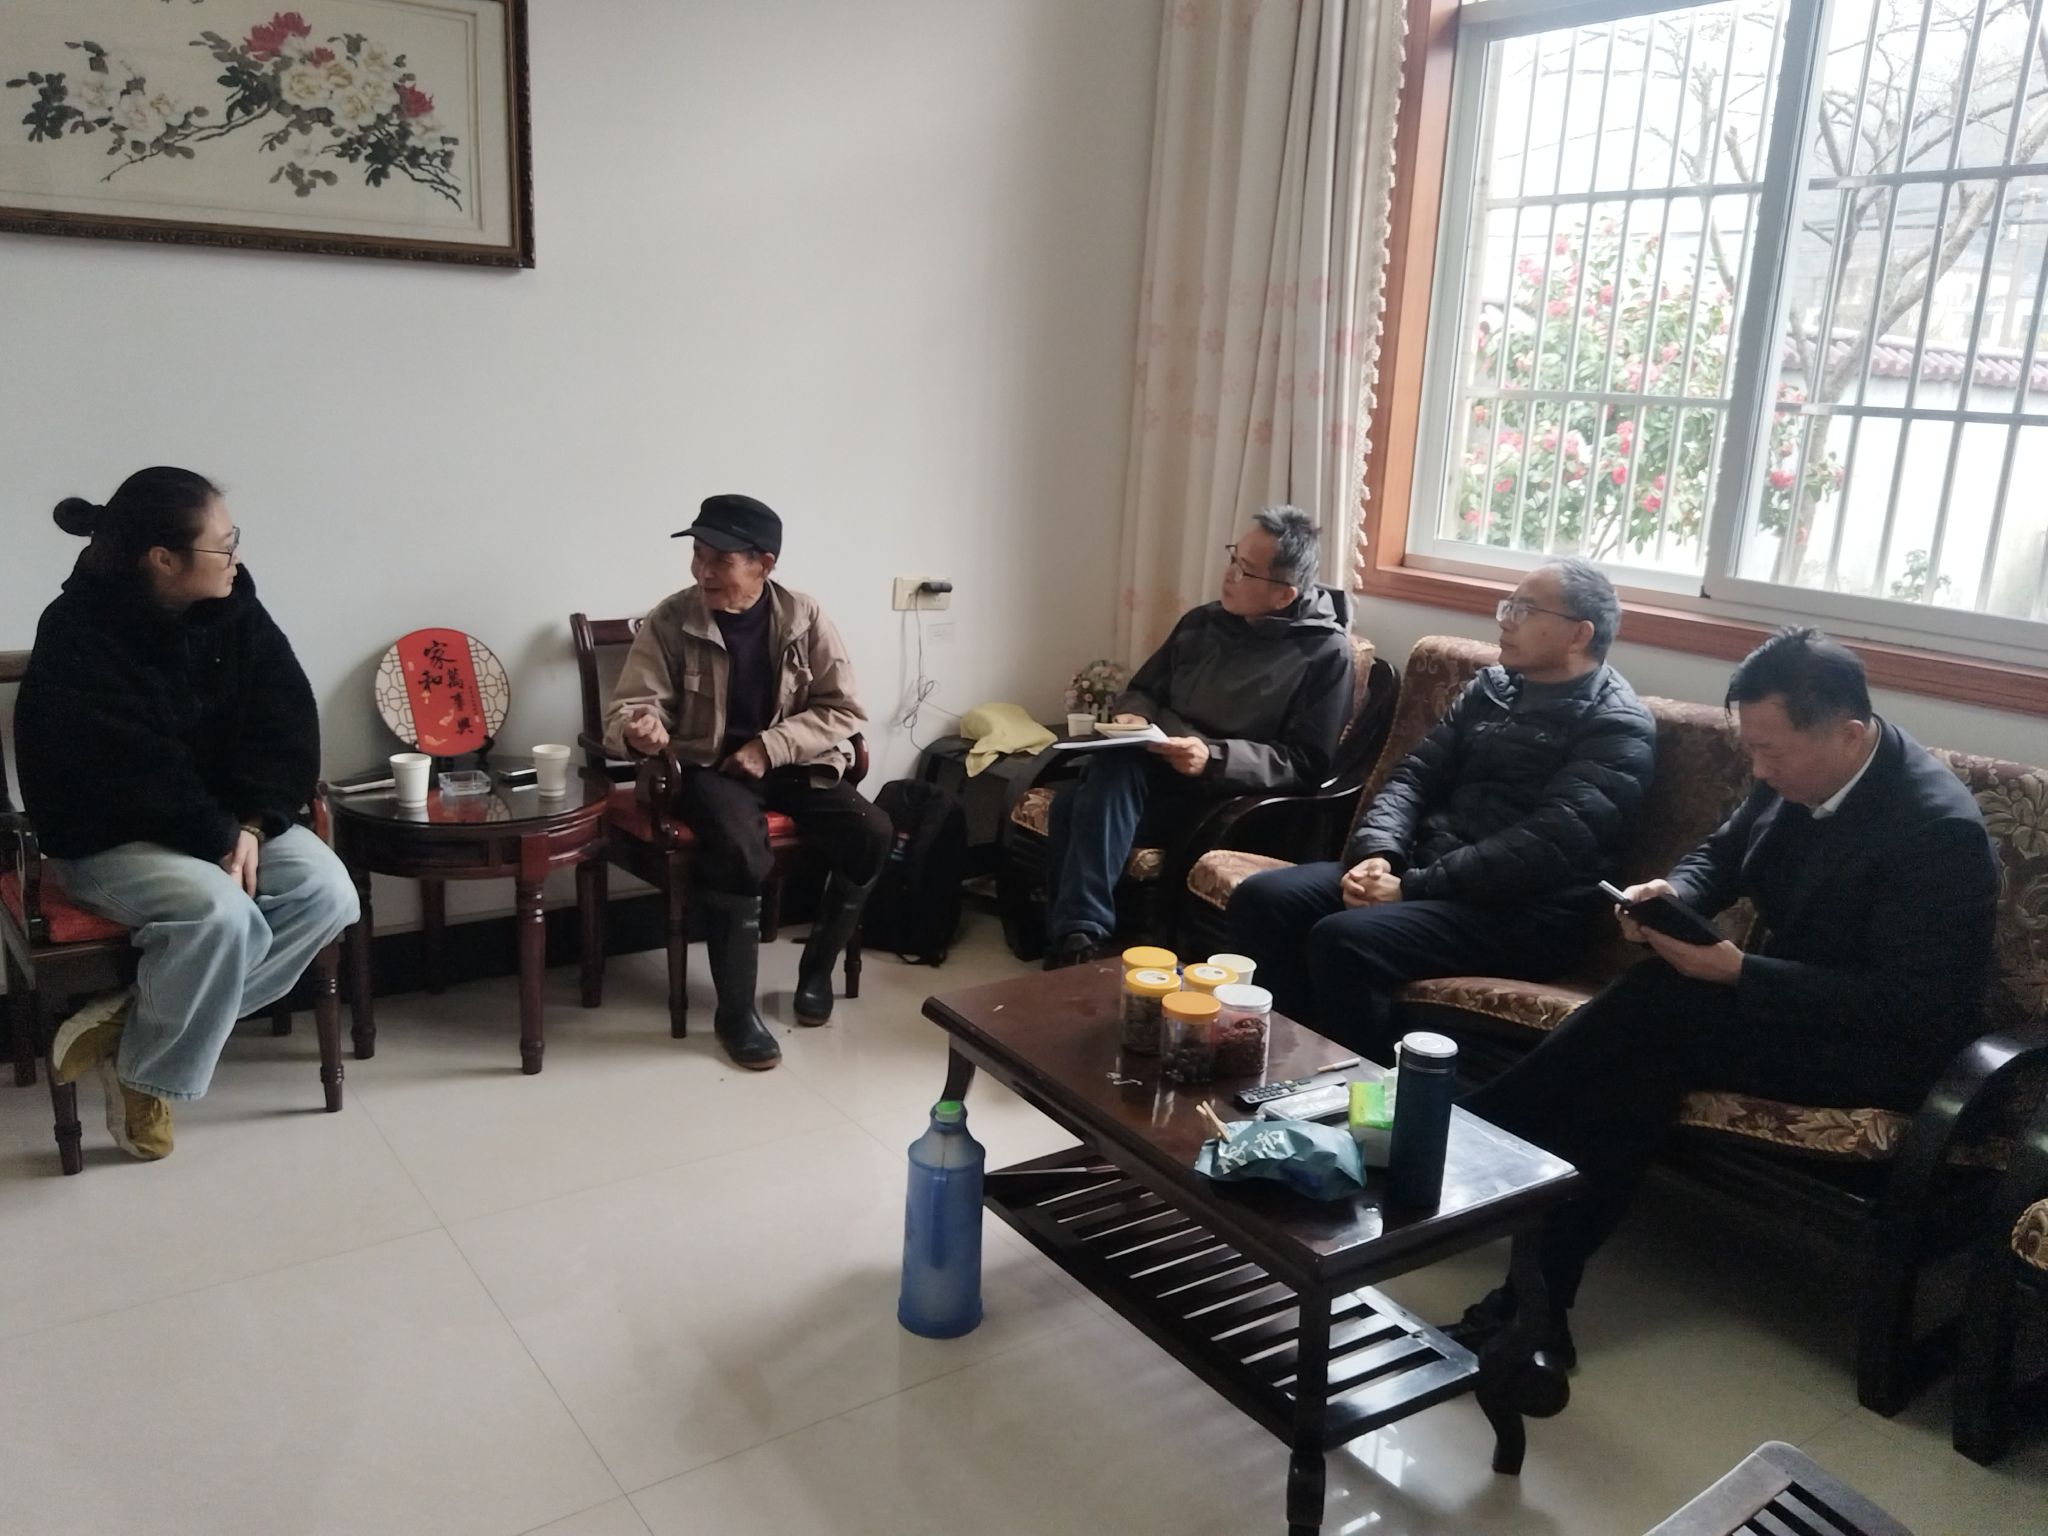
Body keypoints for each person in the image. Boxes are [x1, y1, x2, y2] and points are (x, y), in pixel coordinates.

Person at [1449, 628, 1999, 1368]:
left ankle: (1474, 1133)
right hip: (1786, 1009)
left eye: (1771, 754)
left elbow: (1912, 1004)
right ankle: (1536, 1307)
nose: (1758, 769)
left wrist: (1740, 973)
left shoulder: (1937, 831)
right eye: (1751, 750)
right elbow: (1724, 851)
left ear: (1849, 733)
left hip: (1882, 1052)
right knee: (1637, 1071)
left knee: (1659, 1005)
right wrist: (1671, 894)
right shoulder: (1795, 770)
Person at [18, 467, 359, 1161]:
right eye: (222, 544)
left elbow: (284, 720)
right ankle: (148, 1079)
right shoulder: (78, 631)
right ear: (163, 559)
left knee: (328, 892)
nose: (236, 556)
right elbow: (126, 769)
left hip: (225, 822)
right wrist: (220, 835)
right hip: (110, 838)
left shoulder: (235, 607)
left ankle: (128, 1030)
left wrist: (255, 823)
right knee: (221, 914)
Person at [1224, 559, 1656, 1052]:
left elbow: (1545, 847)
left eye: (1524, 610)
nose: (1504, 620)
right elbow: (1413, 776)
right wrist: (1379, 855)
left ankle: (1361, 1082)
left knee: (1344, 938)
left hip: (1523, 913)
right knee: (1264, 899)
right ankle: (1283, 1061)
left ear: (1579, 634)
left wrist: (1411, 887)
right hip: (1431, 876)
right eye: (1508, 605)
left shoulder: (1616, 725)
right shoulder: (1492, 689)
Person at [604, 493, 889, 1070]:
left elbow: (842, 708)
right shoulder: (671, 619)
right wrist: (640, 731)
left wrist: (770, 747)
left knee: (873, 833)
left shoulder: (804, 616)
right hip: (708, 768)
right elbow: (631, 707)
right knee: (739, 848)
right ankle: (735, 1013)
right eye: (699, 555)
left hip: (789, 763)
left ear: (765, 563)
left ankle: (816, 974)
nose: (703, 571)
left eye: (721, 560)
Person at [1041, 505, 1355, 968]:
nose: (1228, 575)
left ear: (1284, 595)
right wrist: (1133, 716)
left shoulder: (1325, 654)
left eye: (1245, 569)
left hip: (1225, 799)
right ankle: (1081, 941)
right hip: (1152, 770)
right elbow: (1146, 689)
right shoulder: (1202, 622)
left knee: (1077, 803)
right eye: (1233, 558)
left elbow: (1306, 763)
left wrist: (1214, 757)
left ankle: (1076, 944)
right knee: (1101, 777)